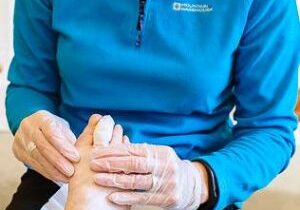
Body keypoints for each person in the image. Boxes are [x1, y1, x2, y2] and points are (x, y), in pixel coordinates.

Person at [5, 0, 299, 209]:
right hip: (73, 165)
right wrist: (31, 121)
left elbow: (270, 128)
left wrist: (196, 181)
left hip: (191, 170)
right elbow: (30, 86)